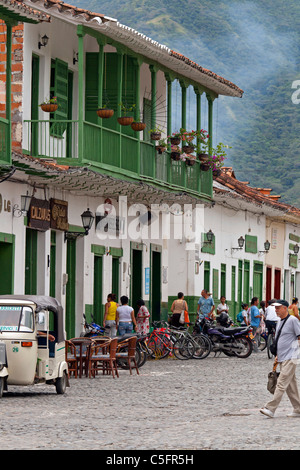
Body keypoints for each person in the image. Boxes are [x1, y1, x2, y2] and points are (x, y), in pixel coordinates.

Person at [260, 299, 300, 418]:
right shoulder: (279, 322)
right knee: (291, 385)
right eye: (275, 308)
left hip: (291, 357)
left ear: (285, 308)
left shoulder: (293, 320)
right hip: (283, 357)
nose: (276, 310)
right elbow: (279, 340)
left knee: (281, 382)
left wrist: (296, 353)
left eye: (278, 308)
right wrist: (277, 354)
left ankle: (270, 408)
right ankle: (298, 409)